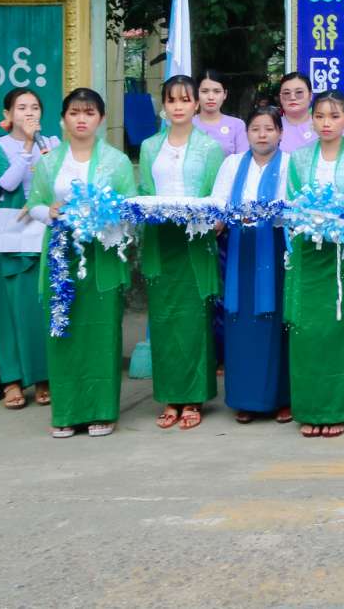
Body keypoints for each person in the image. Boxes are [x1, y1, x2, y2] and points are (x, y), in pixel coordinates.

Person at [30, 88, 137, 438]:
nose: (81, 119)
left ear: (101, 119)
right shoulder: (49, 162)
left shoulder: (117, 162)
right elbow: (34, 204)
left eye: (89, 113)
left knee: (101, 332)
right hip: (62, 256)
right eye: (74, 113)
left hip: (101, 254)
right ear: (63, 119)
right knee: (63, 332)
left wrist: (106, 214)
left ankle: (101, 411)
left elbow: (130, 207)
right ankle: (66, 412)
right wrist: (49, 211)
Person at [285, 90, 344, 437]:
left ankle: (336, 409)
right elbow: (292, 202)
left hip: (342, 254)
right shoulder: (298, 158)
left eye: (335, 116)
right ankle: (309, 408)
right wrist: (309, 223)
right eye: (320, 116)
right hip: (306, 255)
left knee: (337, 329)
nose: (326, 123)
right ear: (311, 119)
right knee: (306, 331)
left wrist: (339, 224)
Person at [137, 75, 225, 431]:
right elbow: (145, 190)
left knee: (193, 318)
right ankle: (170, 396)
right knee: (163, 320)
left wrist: (213, 219)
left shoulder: (210, 147)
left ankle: (193, 396)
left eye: (185, 100)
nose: (178, 106)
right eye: (171, 100)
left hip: (194, 241)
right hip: (161, 240)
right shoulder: (149, 147)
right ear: (164, 104)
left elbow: (216, 196)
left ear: (196, 105)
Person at [211, 104, 291, 424]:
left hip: (276, 249)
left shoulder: (290, 164)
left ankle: (282, 398)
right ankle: (246, 399)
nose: (262, 135)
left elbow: (293, 207)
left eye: (269, 129)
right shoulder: (232, 164)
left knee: (277, 322)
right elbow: (218, 204)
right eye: (255, 129)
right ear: (246, 134)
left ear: (280, 133)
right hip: (241, 250)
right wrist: (215, 222)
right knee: (241, 320)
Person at [0, 87, 58, 410]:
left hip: (44, 229)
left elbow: (60, 182)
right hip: (12, 233)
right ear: (8, 115)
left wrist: (45, 154)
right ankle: (12, 380)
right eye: (22, 107)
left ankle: (43, 377)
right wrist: (28, 146)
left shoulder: (52, 143)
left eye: (35, 107)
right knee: (10, 307)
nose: (29, 113)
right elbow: (7, 183)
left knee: (41, 305)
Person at [192, 69, 249, 156]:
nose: (211, 97)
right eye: (204, 91)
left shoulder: (237, 125)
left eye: (217, 91)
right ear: (196, 93)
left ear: (225, 94)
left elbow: (242, 159)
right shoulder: (187, 124)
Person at [276, 71, 317, 153]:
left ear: (310, 95)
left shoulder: (323, 125)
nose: (292, 97)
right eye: (286, 93)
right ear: (280, 97)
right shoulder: (273, 126)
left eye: (299, 92)